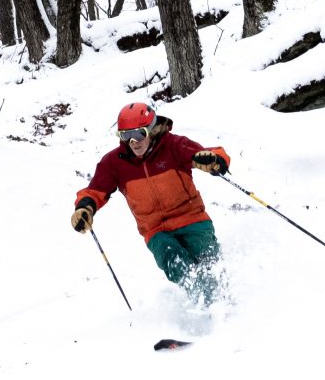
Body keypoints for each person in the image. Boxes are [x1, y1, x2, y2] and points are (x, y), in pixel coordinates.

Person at [71, 101, 233, 305]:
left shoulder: (174, 145)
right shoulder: (115, 162)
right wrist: (84, 208)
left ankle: (227, 303)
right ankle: (207, 307)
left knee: (209, 263)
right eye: (125, 136)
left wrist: (215, 160)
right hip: (156, 231)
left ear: (152, 129)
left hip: (192, 219)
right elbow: (94, 191)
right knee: (176, 264)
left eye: (139, 134)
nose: (133, 142)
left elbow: (213, 154)